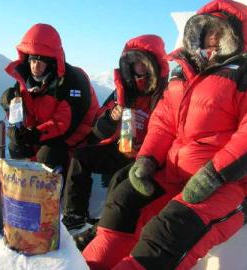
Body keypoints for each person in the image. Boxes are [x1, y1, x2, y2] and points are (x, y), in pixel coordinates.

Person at [83, 0, 247, 269]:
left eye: (221, 32)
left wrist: (215, 174)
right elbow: (162, 123)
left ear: (237, 36)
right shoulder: (183, 75)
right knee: (124, 202)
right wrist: (147, 159)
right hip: (178, 174)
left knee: (168, 231)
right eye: (207, 31)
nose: (213, 38)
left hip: (232, 182)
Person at [61, 34, 169, 239]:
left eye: (143, 63)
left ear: (155, 65)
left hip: (148, 158)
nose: (139, 68)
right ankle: (75, 217)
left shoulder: (165, 95)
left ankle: (106, 230)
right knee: (81, 157)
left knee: (119, 181)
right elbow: (98, 130)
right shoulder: (122, 93)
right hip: (121, 148)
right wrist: (111, 117)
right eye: (135, 64)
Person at [0, 23, 99, 173]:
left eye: (41, 61)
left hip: (77, 140)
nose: (35, 66)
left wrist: (35, 134)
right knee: (16, 146)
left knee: (48, 155)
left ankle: (52, 186)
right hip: (45, 135)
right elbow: (24, 115)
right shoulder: (27, 81)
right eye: (32, 60)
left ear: (52, 62)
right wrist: (8, 105)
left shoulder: (73, 82)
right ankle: (23, 182)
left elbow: (64, 124)